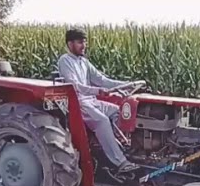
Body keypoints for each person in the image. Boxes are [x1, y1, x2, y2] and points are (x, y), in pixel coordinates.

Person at [56, 28, 141, 176]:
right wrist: (98, 91)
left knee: (118, 112)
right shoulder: (65, 61)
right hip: (78, 103)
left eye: (84, 42)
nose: (84, 45)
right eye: (79, 42)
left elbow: (102, 80)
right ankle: (120, 162)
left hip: (91, 101)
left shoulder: (84, 62)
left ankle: (122, 147)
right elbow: (74, 86)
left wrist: (127, 84)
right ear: (70, 44)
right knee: (101, 121)